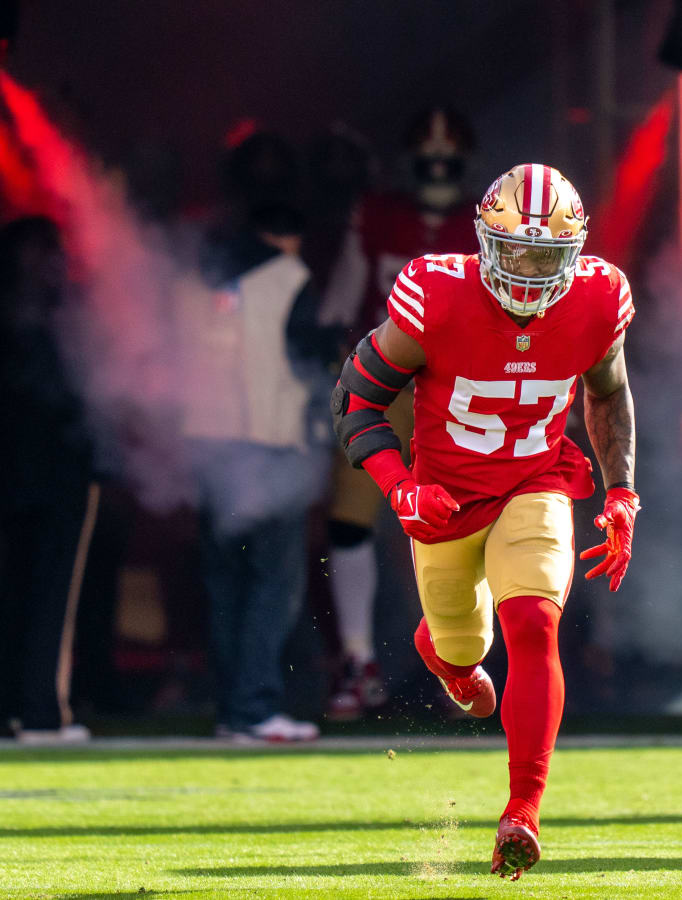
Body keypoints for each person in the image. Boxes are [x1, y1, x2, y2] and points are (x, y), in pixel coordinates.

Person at [330, 164, 639, 878]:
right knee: (466, 663)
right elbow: (356, 401)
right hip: (444, 497)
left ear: (577, 254)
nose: (530, 273)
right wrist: (400, 487)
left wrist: (621, 492)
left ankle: (521, 814)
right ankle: (446, 654)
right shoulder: (436, 294)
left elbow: (609, 394)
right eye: (517, 253)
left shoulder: (598, 299)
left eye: (548, 257)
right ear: (483, 242)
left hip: (536, 477)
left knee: (534, 622)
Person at [318, 108, 477, 720]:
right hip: (382, 384)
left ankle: (459, 658)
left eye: (448, 157)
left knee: (461, 527)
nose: (437, 166)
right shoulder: (380, 215)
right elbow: (342, 303)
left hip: (457, 392)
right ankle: (360, 659)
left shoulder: (483, 222)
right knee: (351, 522)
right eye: (427, 157)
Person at [183, 200, 338, 742]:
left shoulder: (201, 277)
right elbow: (304, 362)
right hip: (269, 444)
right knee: (272, 584)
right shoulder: (288, 277)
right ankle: (255, 707)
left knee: (225, 583)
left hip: (208, 446)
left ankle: (233, 708)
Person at [0, 216, 98, 744]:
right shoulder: (61, 316)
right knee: (48, 595)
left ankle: (26, 707)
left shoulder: (58, 312)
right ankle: (39, 713)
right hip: (54, 468)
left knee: (24, 593)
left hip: (33, 467)